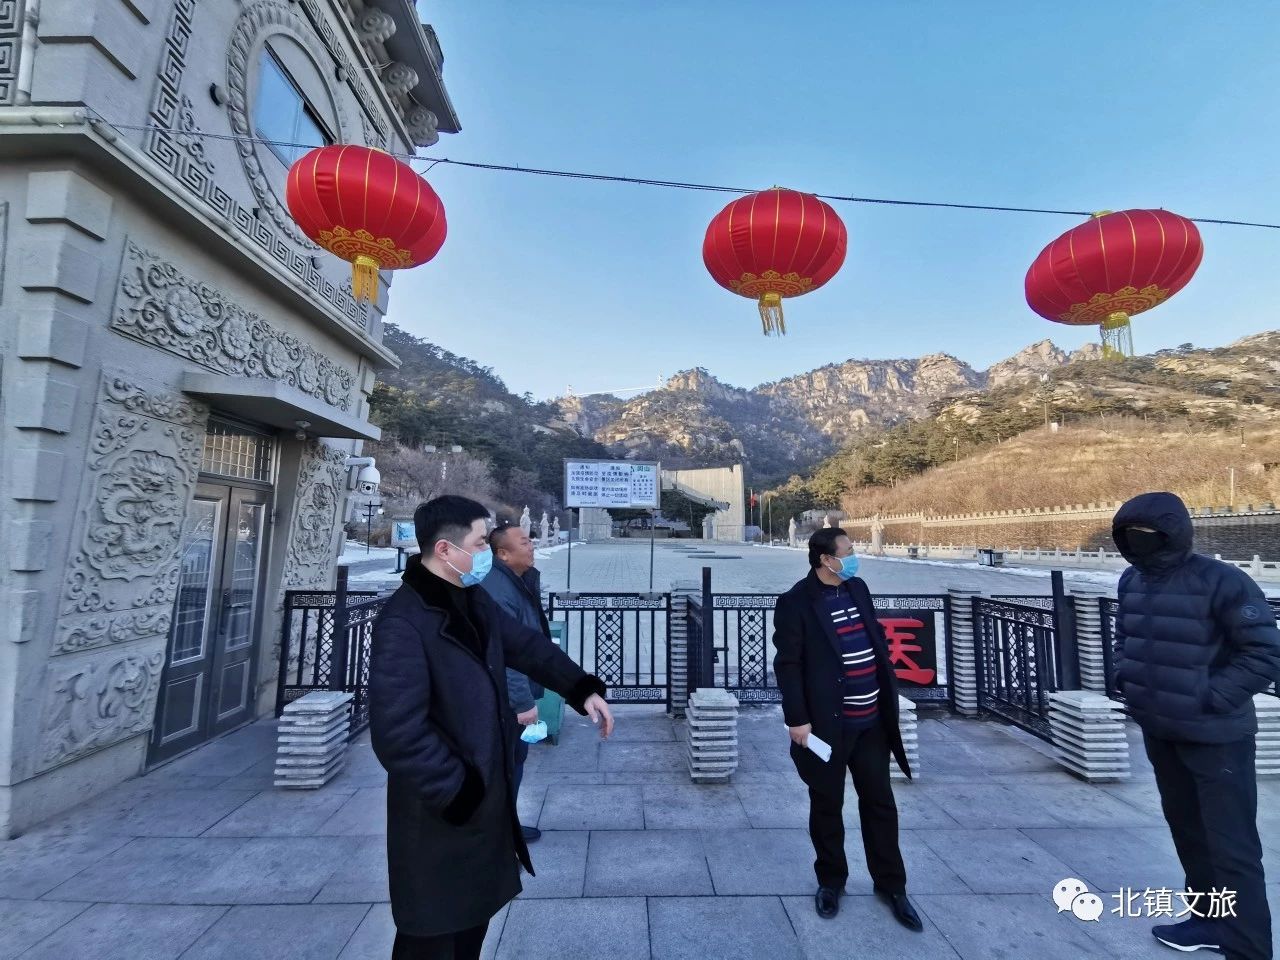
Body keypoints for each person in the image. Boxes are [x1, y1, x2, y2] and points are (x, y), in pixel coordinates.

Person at [369, 495, 615, 960]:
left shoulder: (471, 599)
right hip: (441, 814)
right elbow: (398, 734)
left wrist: (579, 688)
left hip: (479, 808)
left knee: (470, 930)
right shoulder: (404, 622)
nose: (486, 552)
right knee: (433, 935)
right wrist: (461, 792)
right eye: (481, 542)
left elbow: (526, 645)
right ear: (445, 550)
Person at [1111, 492, 1280, 960]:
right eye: (1128, 536)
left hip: (1217, 737)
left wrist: (1212, 698)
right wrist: (1126, 676)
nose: (1137, 543)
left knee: (1233, 845)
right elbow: (1125, 637)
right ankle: (1206, 920)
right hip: (1160, 730)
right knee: (1189, 833)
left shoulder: (1223, 581)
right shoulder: (1132, 580)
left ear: (1174, 533)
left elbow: (1264, 652)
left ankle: (1248, 947)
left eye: (1147, 535)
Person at [771, 527, 923, 930]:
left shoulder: (858, 589)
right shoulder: (796, 603)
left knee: (880, 803)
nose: (854, 557)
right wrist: (797, 719)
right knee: (827, 806)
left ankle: (892, 885)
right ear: (825, 559)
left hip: (870, 721)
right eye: (849, 551)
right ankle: (831, 882)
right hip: (826, 727)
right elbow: (788, 666)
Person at [482, 520, 550, 843]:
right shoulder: (499, 588)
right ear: (503, 554)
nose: (532, 545)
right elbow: (506, 653)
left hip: (508, 697)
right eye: (524, 542)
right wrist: (522, 702)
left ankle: (504, 825)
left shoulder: (514, 581)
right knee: (506, 764)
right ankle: (497, 832)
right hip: (506, 701)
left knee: (513, 762)